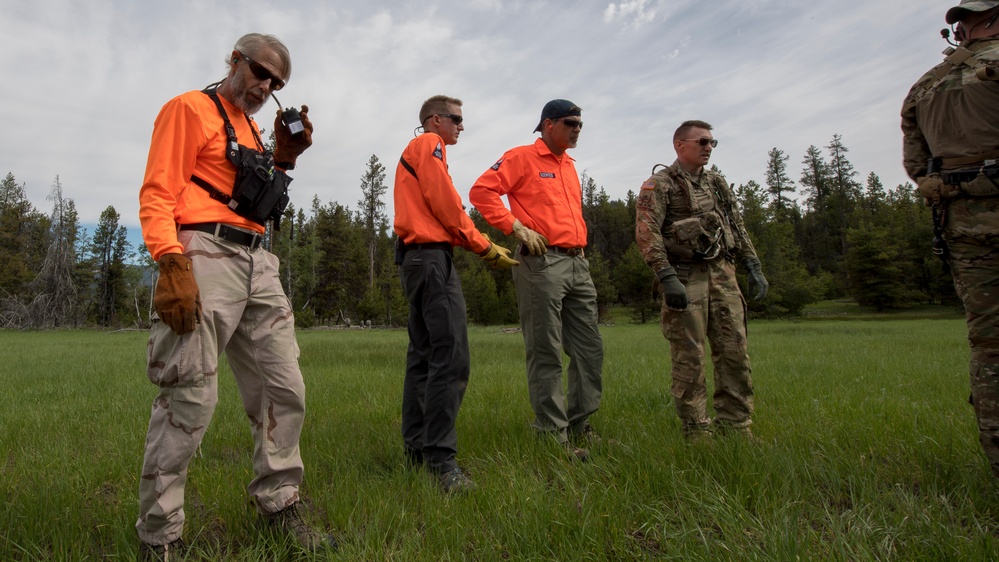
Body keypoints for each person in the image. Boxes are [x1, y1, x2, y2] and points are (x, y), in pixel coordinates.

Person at [136, 33, 332, 559]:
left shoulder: (252, 130)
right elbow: (158, 190)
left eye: (276, 83)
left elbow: (261, 204)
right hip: (202, 251)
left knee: (282, 384)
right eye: (260, 72)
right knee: (190, 395)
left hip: (257, 259)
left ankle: (279, 502)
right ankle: (160, 534)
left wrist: (285, 159)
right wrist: (170, 261)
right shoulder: (190, 108)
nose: (265, 86)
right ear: (235, 60)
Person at [394, 95, 518, 493]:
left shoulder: (425, 150)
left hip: (418, 260)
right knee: (451, 358)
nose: (461, 126)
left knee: (425, 356)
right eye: (457, 119)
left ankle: (417, 450)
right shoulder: (429, 145)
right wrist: (482, 245)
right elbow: (445, 203)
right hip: (430, 258)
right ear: (435, 120)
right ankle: (441, 462)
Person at [469, 99, 603, 461]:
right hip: (542, 264)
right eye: (570, 122)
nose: (577, 128)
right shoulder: (521, 157)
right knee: (545, 349)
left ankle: (580, 425)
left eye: (580, 124)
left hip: (577, 263)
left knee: (589, 350)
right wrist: (515, 226)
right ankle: (552, 435)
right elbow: (481, 192)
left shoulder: (570, 166)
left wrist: (579, 250)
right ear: (548, 124)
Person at [901, 0, 999, 478]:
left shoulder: (925, 86)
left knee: (989, 345)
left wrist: (958, 193)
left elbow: (917, 168)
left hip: (962, 225)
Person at [634, 120, 769, 441]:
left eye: (712, 143)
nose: (709, 147)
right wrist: (666, 277)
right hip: (684, 275)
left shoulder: (717, 183)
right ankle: (696, 432)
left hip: (723, 273)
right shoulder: (660, 185)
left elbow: (736, 224)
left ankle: (736, 427)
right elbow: (646, 232)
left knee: (734, 351)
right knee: (689, 358)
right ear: (680, 145)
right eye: (702, 142)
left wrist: (752, 264)